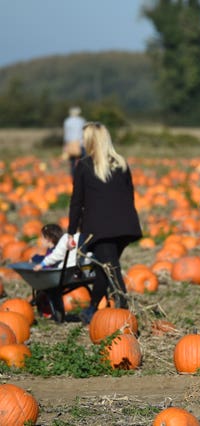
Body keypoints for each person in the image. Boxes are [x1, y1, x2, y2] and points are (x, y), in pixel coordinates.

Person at [67, 122, 142, 324]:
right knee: (105, 268)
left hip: (100, 229)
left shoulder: (83, 165)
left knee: (111, 269)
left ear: (90, 141)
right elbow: (130, 196)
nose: (82, 142)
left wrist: (71, 234)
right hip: (125, 226)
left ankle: (124, 310)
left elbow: (77, 203)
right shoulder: (121, 163)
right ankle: (91, 309)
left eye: (84, 139)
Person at [63, 106, 86, 177]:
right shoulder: (82, 121)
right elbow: (84, 133)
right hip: (80, 143)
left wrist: (65, 144)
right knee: (83, 161)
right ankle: (82, 175)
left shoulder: (67, 121)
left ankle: (73, 176)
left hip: (70, 143)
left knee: (72, 162)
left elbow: (66, 134)